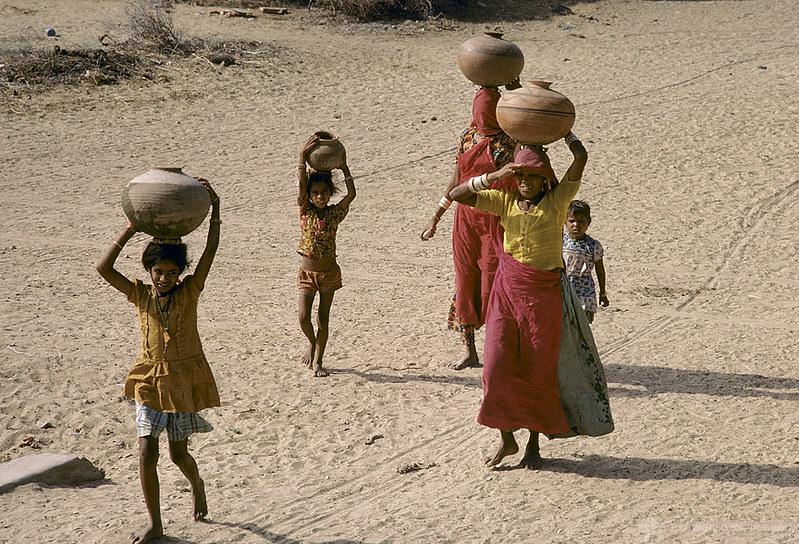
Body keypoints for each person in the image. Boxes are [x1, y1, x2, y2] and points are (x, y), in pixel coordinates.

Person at [449, 134, 613, 469]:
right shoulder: (504, 200)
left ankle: (533, 446)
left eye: (531, 176)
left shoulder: (557, 201)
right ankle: (507, 440)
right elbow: (457, 195)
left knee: (538, 371)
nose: (524, 181)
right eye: (519, 175)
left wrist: (566, 135)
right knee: (496, 367)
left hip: (543, 298)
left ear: (544, 179)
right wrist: (493, 176)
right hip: (507, 293)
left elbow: (580, 159)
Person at [96, 179, 221, 543]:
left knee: (178, 454)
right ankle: (156, 524)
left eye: (171, 272)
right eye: (158, 272)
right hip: (149, 380)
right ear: (149, 272)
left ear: (180, 273)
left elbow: (211, 253)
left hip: (181, 382)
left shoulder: (190, 292)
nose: (164, 278)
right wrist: (131, 228)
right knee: (147, 452)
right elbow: (104, 269)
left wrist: (215, 211)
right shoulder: (140, 295)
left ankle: (196, 484)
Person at [420, 86, 517, 370]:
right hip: (465, 221)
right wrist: (436, 215)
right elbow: (455, 180)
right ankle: (470, 351)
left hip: (495, 218)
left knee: (493, 283)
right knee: (465, 283)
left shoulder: (509, 141)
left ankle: (498, 352)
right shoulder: (468, 136)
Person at [296, 133, 356, 378]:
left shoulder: (334, 214)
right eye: (316, 193)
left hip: (329, 273)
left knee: (323, 318)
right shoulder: (304, 210)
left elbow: (351, 195)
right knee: (302, 317)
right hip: (307, 273)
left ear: (329, 194)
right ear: (310, 195)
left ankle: (319, 361)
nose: (320, 197)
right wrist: (301, 157)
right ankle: (311, 342)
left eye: (324, 193)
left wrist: (344, 166)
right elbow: (301, 184)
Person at [562, 199, 608, 323]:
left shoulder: (593, 246)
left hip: (584, 293)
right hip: (563, 289)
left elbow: (600, 270)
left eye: (581, 221)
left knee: (582, 326)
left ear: (588, 222)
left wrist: (602, 293)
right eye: (572, 221)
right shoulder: (560, 241)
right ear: (565, 222)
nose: (576, 225)